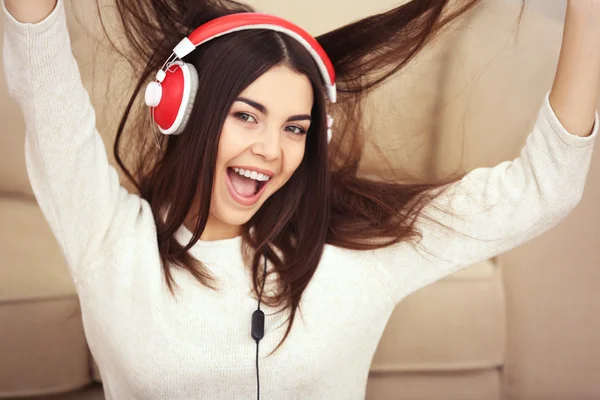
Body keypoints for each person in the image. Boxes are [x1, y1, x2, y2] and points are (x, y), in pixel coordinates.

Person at [3, 0, 599, 398]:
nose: (270, 149)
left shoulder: (357, 254)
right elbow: (41, 66)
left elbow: (543, 188)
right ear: (184, 109)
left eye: (294, 128)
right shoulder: (107, 238)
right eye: (246, 116)